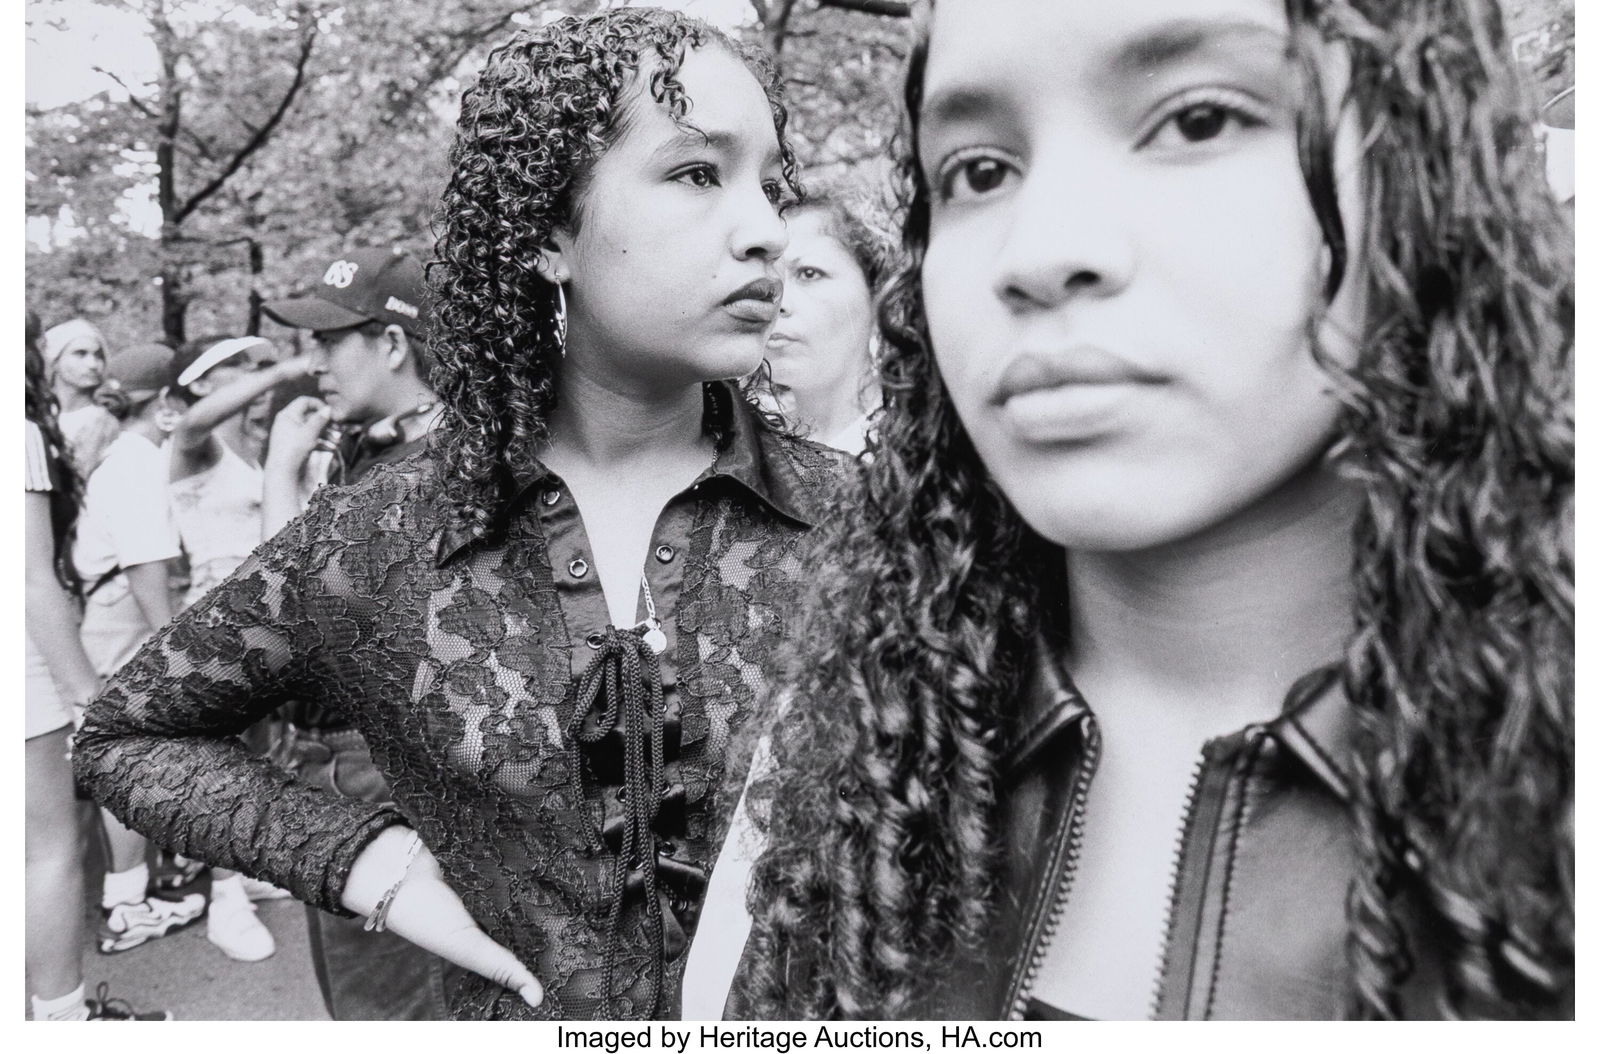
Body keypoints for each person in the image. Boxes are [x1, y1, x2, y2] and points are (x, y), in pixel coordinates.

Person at [725, 0, 1573, 1021]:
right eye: (980, 170)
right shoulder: (867, 732)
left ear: (1419, 167)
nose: (1039, 250)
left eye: (1198, 119)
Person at [75, 7, 845, 1022]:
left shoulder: (864, 524)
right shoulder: (386, 533)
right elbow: (123, 737)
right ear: (546, 234)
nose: (763, 229)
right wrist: (372, 863)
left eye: (771, 185)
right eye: (698, 172)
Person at [256, 247, 452, 1020]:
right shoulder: (380, 450)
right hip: (343, 767)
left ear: (394, 345)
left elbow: (287, 624)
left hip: (377, 773)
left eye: (331, 341)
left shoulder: (424, 466)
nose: (315, 363)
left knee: (390, 1012)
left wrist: (277, 477)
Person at [26, 312, 171, 1021]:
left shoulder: (97, 435)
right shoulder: (33, 433)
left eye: (98, 352)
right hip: (53, 630)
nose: (90, 362)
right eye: (72, 350)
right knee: (46, 846)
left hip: (67, 612)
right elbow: (33, 573)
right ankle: (64, 1008)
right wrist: (88, 691)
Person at [164, 333, 323, 962]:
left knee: (263, 750)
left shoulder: (265, 450)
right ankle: (224, 902)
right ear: (205, 382)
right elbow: (196, 418)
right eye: (244, 371)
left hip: (270, 623)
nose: (261, 381)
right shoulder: (195, 447)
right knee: (220, 761)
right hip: (213, 624)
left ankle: (250, 870)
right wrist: (285, 367)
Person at [73, 341, 212, 955]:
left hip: (109, 619)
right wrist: (174, 653)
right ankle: (128, 906)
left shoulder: (120, 455)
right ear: (164, 407)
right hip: (120, 622)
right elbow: (145, 564)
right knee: (124, 758)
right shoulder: (133, 464)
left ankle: (137, 885)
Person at [763, 193, 886, 454]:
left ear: (878, 295)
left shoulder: (918, 448)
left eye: (809, 273)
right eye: (769, 277)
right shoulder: (749, 447)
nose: (777, 302)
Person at [42, 317, 120, 475]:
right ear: (55, 361)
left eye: (98, 355)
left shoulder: (104, 422)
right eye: (80, 354)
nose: (92, 364)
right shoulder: (40, 415)